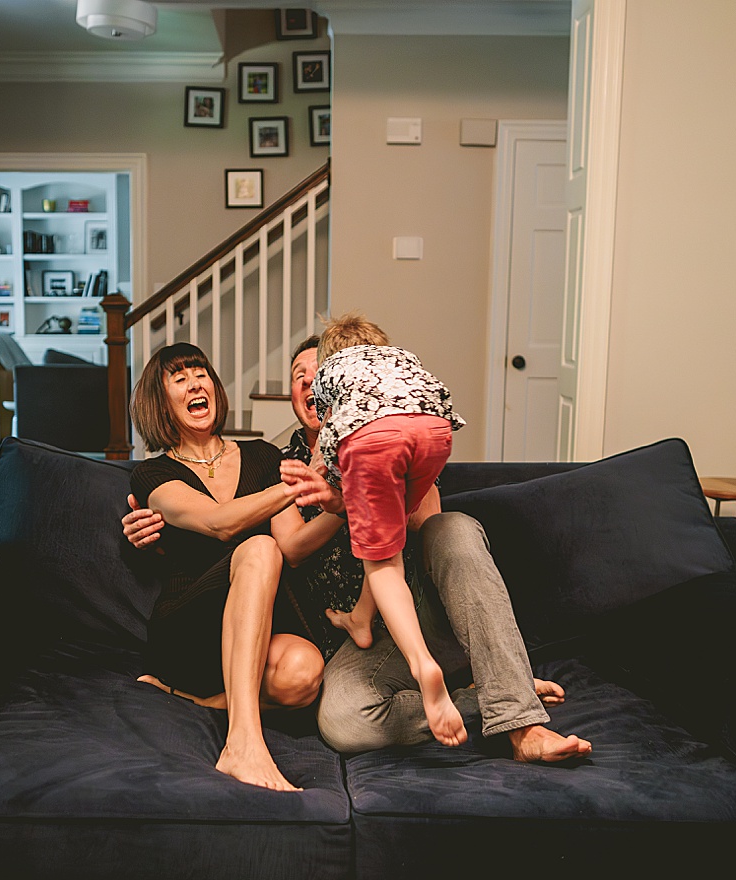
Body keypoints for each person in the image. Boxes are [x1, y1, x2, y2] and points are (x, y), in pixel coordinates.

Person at [127, 335, 592, 764]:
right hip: (345, 641)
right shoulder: (284, 460)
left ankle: (520, 721)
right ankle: (495, 690)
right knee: (343, 721)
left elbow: (423, 532)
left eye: (319, 370)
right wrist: (331, 492)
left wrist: (361, 485)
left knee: (452, 530)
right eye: (297, 376)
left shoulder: (378, 438)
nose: (309, 381)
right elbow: (283, 546)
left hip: (413, 611)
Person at [128, 342, 331, 793]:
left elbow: (294, 546)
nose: (195, 383)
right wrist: (302, 483)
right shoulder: (153, 475)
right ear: (159, 402)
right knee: (258, 548)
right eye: (179, 378)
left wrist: (342, 506)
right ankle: (243, 743)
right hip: (189, 627)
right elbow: (219, 524)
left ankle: (196, 700)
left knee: (304, 671)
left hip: (251, 632)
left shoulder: (262, 456)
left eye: (200, 373)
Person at [293, 314, 466, 746]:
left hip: (372, 440)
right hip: (434, 431)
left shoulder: (335, 384)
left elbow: (341, 434)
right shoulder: (400, 361)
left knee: (381, 561)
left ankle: (422, 664)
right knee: (389, 531)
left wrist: (334, 490)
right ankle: (361, 618)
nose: (311, 382)